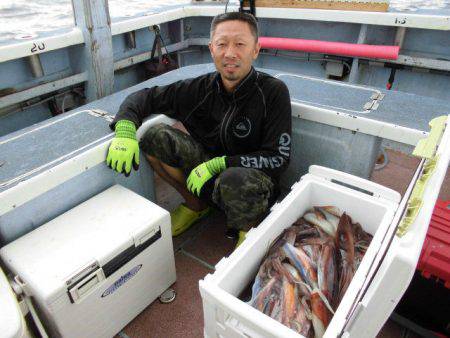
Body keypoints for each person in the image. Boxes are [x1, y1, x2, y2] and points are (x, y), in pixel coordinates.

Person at [106, 12, 292, 246]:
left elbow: (279, 158)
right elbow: (144, 97)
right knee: (154, 137)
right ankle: (196, 205)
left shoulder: (274, 91)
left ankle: (248, 229)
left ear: (255, 50)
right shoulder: (199, 89)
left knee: (234, 179)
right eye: (222, 44)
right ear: (211, 49)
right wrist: (124, 130)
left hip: (251, 182)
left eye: (240, 44)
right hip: (203, 174)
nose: (230, 53)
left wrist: (222, 163)